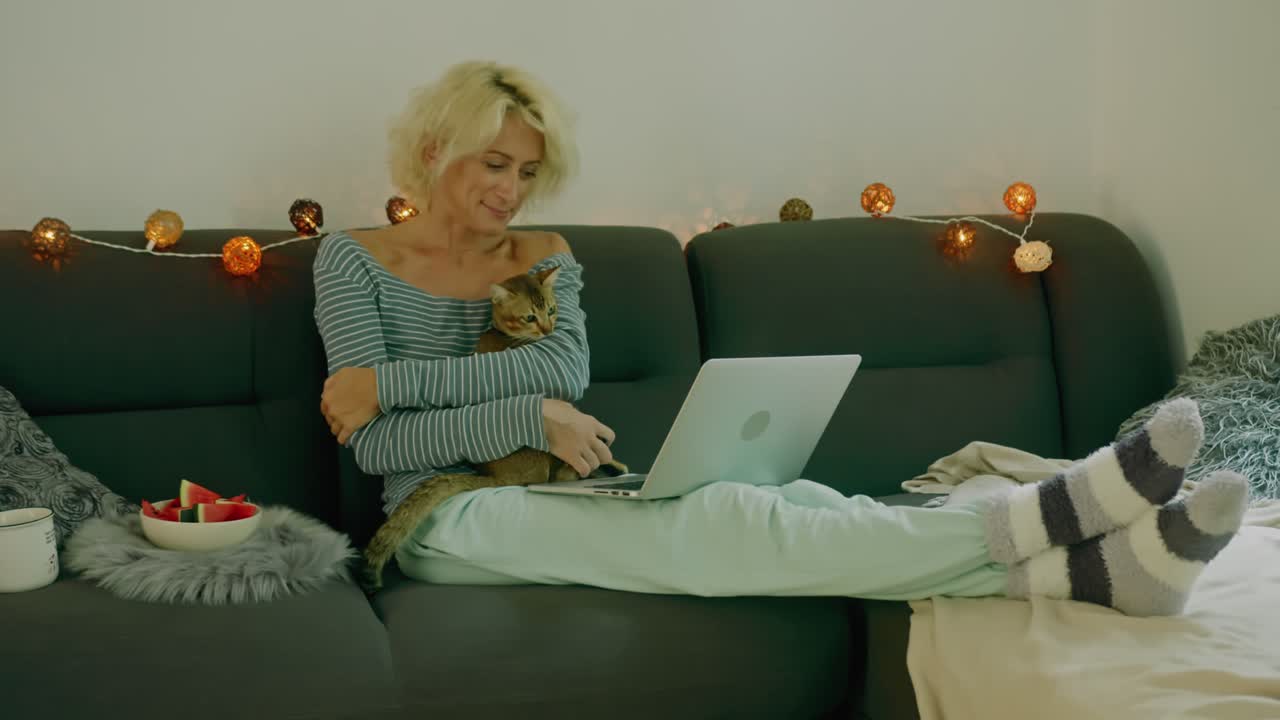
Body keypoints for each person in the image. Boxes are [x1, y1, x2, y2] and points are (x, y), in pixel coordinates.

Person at [313, 60, 1248, 616]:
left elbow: (564, 370)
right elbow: (378, 445)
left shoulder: (545, 253)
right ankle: (1067, 537)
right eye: (493, 163)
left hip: (560, 486)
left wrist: (393, 384)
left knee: (797, 498)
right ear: (436, 150)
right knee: (729, 525)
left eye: (525, 171)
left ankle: (1088, 551)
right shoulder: (351, 263)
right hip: (440, 518)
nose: (509, 191)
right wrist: (522, 412)